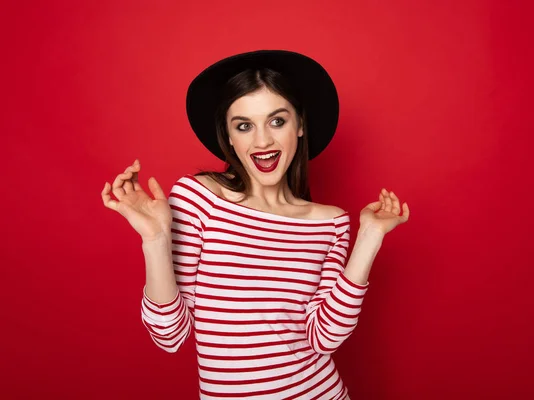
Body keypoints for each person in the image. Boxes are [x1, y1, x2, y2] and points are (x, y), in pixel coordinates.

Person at [101, 50, 409, 400]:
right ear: (229, 136)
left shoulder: (331, 221)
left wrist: (369, 237)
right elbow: (170, 336)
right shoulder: (198, 197)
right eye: (244, 125)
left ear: (301, 125)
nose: (262, 141)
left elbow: (324, 337)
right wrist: (155, 239)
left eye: (277, 121)